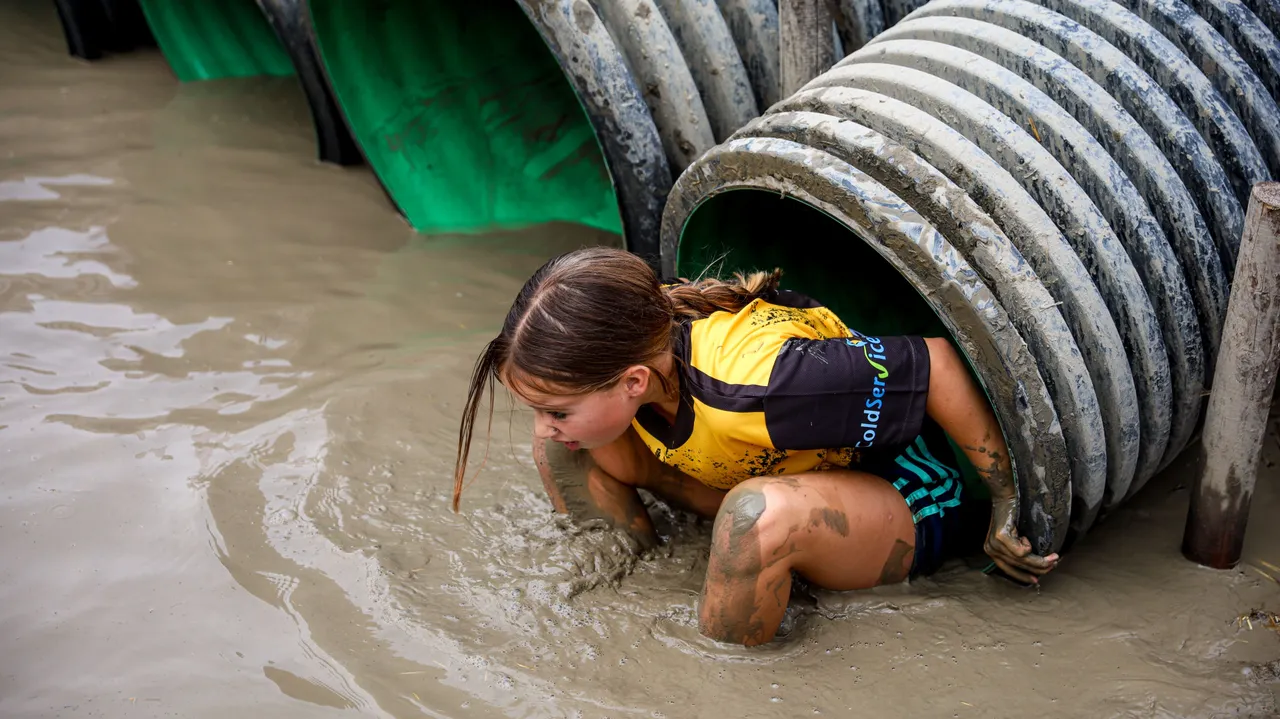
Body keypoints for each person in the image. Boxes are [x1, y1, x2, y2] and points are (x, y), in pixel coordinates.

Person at [452, 246, 1058, 647]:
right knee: (567, 449)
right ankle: (623, 577)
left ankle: (728, 665)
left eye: (556, 409)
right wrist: (565, 423)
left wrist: (1008, 502)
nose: (543, 425)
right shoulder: (640, 345)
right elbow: (569, 428)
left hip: (904, 493)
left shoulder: (766, 385)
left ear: (633, 382)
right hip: (766, 470)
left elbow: (937, 362)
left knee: (754, 519)